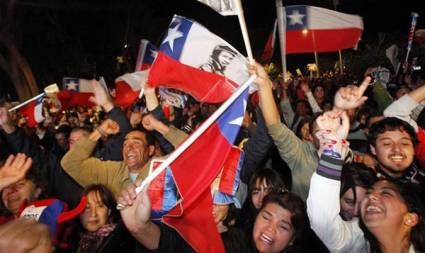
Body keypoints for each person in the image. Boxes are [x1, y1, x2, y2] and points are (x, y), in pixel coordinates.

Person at [72, 184, 135, 253]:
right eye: (87, 207)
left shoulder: (121, 239)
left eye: (100, 206)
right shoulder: (75, 241)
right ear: (79, 214)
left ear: (109, 211)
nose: (93, 214)